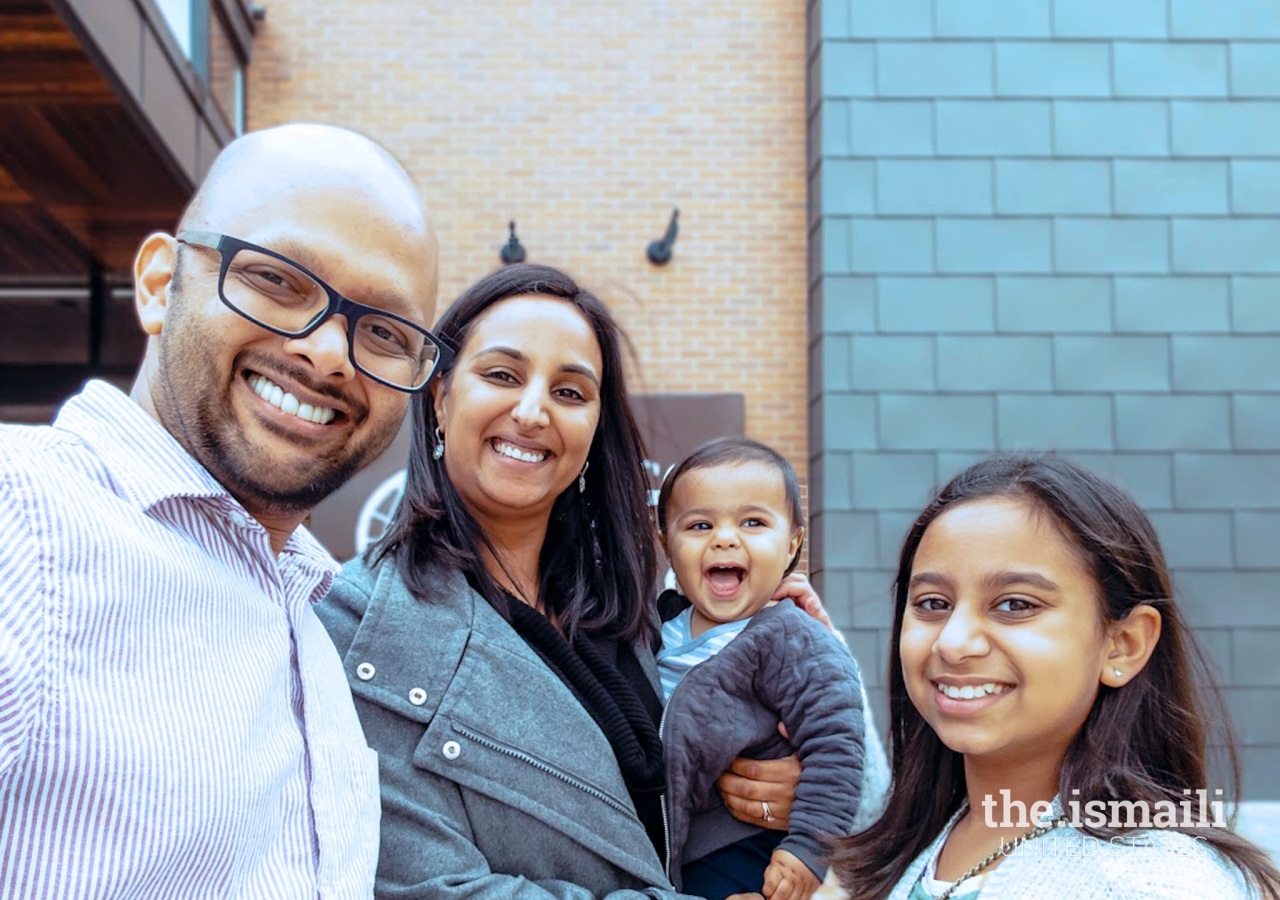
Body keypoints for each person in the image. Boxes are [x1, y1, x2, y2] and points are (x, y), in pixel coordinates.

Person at [0, 123, 444, 898]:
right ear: (156, 283)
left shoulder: (307, 608)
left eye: (382, 330)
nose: (330, 353)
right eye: (276, 280)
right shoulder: (24, 523)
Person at [316, 263, 820, 899]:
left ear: (593, 429)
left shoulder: (643, 609)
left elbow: (853, 802)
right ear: (441, 395)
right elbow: (426, 888)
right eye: (502, 375)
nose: (532, 412)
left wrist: (799, 778)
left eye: (571, 392)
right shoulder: (358, 630)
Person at [829, 452, 1280, 900]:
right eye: (932, 603)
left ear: (1124, 644)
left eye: (1015, 605)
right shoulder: (919, 844)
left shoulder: (1157, 883)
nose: (953, 642)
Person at [653, 438, 868, 900]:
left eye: (753, 522)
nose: (725, 537)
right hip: (661, 850)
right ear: (665, 543)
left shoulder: (794, 640)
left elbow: (838, 749)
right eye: (700, 524)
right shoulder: (650, 629)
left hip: (746, 847)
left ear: (792, 542)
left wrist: (809, 848)